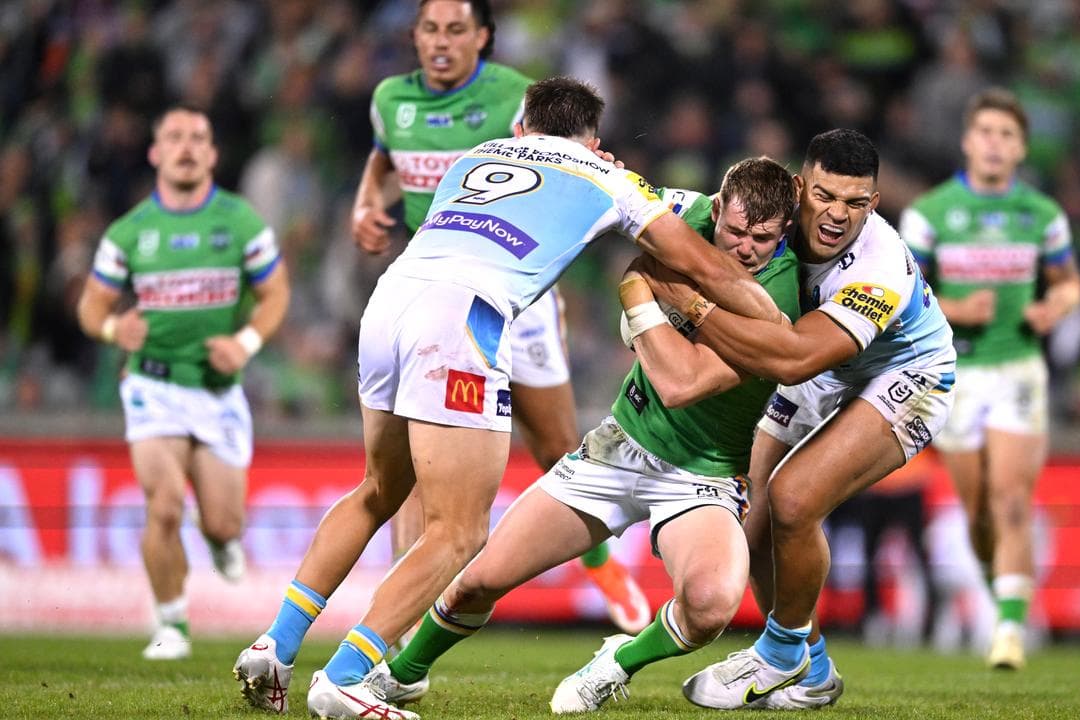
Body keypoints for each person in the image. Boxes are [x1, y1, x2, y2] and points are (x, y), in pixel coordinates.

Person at [233, 77, 783, 718]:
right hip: (463, 321)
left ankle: (276, 644)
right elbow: (713, 266)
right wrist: (776, 325)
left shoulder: (476, 156)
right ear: (596, 140)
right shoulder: (606, 176)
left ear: (523, 129)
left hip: (389, 303)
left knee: (378, 489)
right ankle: (350, 676)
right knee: (460, 531)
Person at [353, 157, 800, 715]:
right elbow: (607, 194)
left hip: (702, 476)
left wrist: (641, 292)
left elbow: (680, 382)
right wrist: (596, 163)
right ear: (719, 207)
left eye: (763, 238)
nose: (745, 248)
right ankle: (401, 674)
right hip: (618, 449)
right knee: (476, 582)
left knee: (711, 607)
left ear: (786, 229)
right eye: (734, 230)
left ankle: (616, 662)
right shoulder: (694, 212)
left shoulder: (787, 298)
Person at [351, 0, 648, 635]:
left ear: (483, 38)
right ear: (414, 36)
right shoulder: (388, 100)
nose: (441, 41)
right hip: (431, 287)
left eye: (456, 29)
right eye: (430, 28)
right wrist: (364, 203)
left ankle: (599, 563)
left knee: (554, 446)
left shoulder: (517, 96)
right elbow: (384, 158)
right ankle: (398, 625)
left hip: (520, 290)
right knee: (411, 470)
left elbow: (572, 164)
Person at [640, 129, 956, 710]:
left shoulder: (877, 268)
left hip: (908, 376)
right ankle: (812, 670)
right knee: (752, 520)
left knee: (794, 498)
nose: (837, 215)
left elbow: (792, 360)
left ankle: (779, 652)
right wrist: (583, 162)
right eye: (825, 196)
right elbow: (643, 201)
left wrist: (689, 305)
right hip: (828, 371)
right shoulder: (767, 215)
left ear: (875, 204)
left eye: (856, 203)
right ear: (797, 187)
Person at [76, 106, 289, 660]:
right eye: (174, 137)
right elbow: (91, 303)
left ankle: (220, 539)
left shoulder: (241, 222)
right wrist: (110, 326)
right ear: (155, 153)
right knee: (164, 505)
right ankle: (171, 624)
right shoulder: (131, 231)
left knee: (223, 522)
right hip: (153, 385)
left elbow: (276, 294)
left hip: (218, 390)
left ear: (213, 154)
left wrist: (243, 344)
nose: (186, 146)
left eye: (198, 137)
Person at [898, 87, 1080, 670]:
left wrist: (1056, 308)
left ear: (1022, 147)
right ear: (967, 141)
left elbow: (1069, 283)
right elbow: (902, 296)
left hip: (1018, 369)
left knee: (1011, 499)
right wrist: (954, 308)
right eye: (986, 132)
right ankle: (994, 579)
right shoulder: (929, 213)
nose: (995, 144)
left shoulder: (1042, 215)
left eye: (1007, 134)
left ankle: (1008, 629)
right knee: (977, 513)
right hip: (954, 375)